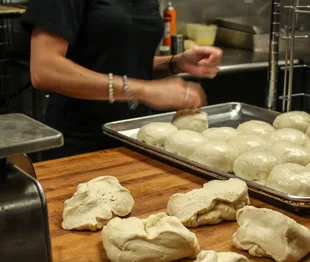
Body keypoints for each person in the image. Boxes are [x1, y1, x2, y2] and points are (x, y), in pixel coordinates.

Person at [21, 0, 222, 160]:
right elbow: (45, 70)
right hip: (80, 146)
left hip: (137, 139)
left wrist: (174, 63)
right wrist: (144, 90)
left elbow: (116, 61)